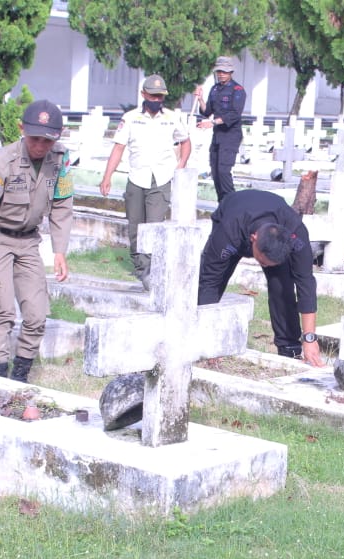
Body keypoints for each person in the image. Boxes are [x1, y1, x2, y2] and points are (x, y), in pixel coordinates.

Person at [0, 100, 74, 383]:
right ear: (21, 129)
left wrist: (59, 250)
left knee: (36, 316)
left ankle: (20, 375)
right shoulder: (1, 163)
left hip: (29, 243)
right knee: (3, 313)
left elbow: (62, 206)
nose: (40, 145)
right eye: (35, 138)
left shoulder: (60, 160)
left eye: (48, 140)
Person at [197, 189, 325, 366]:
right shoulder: (228, 233)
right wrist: (209, 342)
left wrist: (310, 339)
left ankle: (289, 349)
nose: (263, 267)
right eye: (262, 262)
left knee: (282, 286)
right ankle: (198, 338)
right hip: (233, 215)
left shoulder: (296, 234)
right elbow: (209, 282)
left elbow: (306, 283)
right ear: (253, 239)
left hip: (273, 227)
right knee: (213, 280)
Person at [100, 74, 191, 290]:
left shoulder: (171, 117)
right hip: (137, 178)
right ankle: (141, 268)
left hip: (161, 179)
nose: (157, 100)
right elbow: (119, 148)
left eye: (160, 96)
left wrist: (181, 165)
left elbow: (186, 142)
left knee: (154, 226)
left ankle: (152, 270)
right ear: (143, 95)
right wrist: (107, 176)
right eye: (153, 96)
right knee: (136, 227)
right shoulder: (130, 118)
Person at [194, 56, 246, 202]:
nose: (222, 74)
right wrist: (200, 99)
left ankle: (232, 203)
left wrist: (213, 123)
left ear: (231, 73)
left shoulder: (238, 90)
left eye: (225, 71)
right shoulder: (215, 89)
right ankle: (222, 204)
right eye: (219, 71)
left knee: (223, 171)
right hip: (217, 136)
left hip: (231, 136)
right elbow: (206, 111)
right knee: (215, 172)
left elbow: (235, 114)